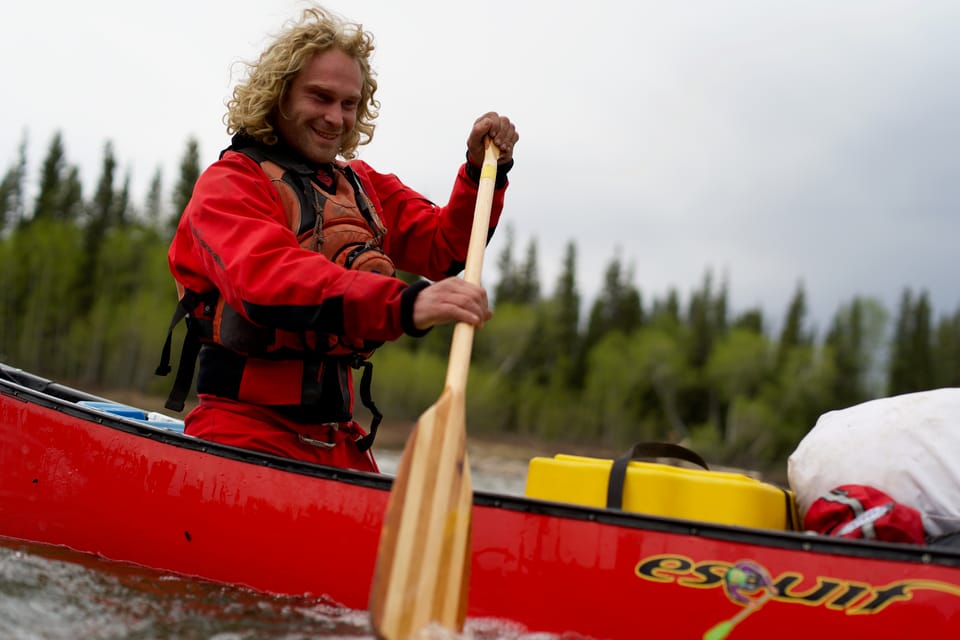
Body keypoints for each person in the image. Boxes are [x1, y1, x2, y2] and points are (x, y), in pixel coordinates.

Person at [156, 6, 518, 473]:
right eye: (321, 97)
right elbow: (267, 281)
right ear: (279, 95)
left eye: (349, 104)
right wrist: (405, 304)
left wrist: (480, 173)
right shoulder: (231, 183)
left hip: (338, 439)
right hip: (242, 431)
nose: (336, 117)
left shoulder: (362, 187)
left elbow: (445, 247)